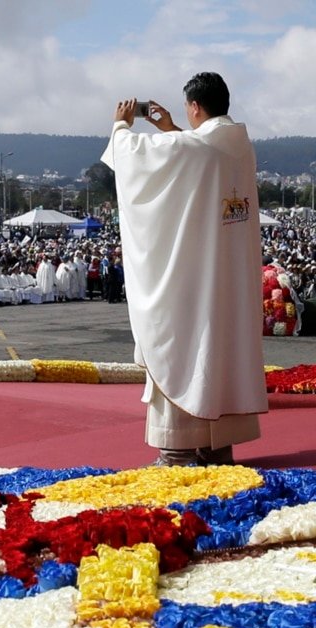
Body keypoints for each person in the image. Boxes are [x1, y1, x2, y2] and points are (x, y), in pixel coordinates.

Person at [101, 72, 267, 466]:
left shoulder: (197, 146)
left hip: (193, 274)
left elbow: (140, 158)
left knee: (184, 340)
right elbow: (193, 154)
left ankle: (180, 444)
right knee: (222, 342)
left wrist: (121, 125)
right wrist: (170, 128)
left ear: (195, 106)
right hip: (228, 273)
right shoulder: (239, 147)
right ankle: (218, 442)